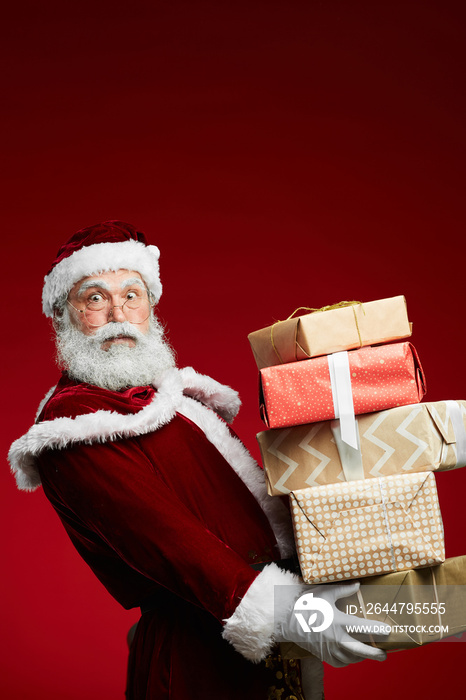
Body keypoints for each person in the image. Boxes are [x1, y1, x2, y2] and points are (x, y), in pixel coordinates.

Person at [8, 221, 388, 700]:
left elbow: (246, 509)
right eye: (95, 298)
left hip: (272, 648)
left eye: (132, 295)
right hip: (193, 666)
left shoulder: (171, 400)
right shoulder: (72, 423)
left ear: (151, 308)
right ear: (65, 315)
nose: (118, 314)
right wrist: (287, 610)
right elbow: (166, 537)